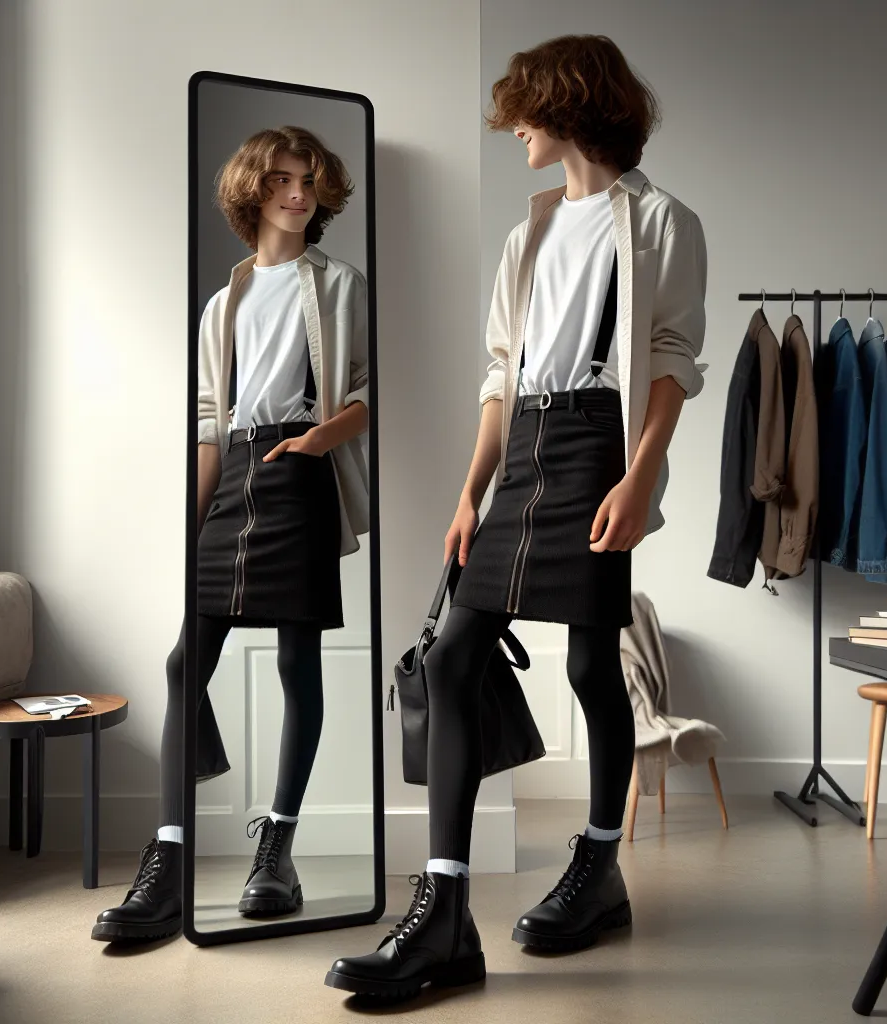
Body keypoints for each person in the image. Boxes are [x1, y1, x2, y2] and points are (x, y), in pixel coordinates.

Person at [325, 33, 706, 999]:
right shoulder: (525, 234)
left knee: (589, 663)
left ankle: (599, 866)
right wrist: (471, 490)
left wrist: (639, 478)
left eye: (524, 113)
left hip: (599, 443)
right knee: (451, 656)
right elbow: (502, 373)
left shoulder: (661, 222)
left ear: (568, 105)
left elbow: (670, 362)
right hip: (526, 445)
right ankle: (446, 915)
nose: (515, 131)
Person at [91, 126, 370, 943]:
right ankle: (171, 860)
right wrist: (190, 528)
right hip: (235, 473)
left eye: (308, 180)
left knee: (296, 662)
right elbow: (210, 423)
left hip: (301, 472)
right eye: (281, 179)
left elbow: (367, 391)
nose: (297, 193)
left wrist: (320, 439)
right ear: (254, 190)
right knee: (188, 663)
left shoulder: (340, 285)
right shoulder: (224, 303)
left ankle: (276, 851)